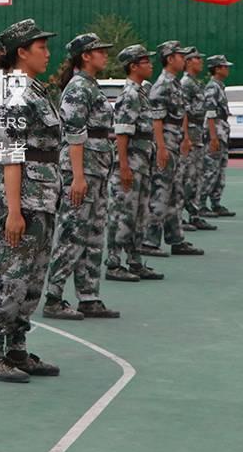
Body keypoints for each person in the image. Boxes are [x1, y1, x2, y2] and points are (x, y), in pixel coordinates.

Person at [0, 19, 62, 383]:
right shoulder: (15, 93)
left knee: (32, 280)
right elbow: (11, 154)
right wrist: (13, 210)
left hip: (43, 196)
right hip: (24, 198)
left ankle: (17, 349)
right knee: (10, 278)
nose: (47, 52)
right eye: (41, 46)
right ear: (22, 52)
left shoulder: (35, 90)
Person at [42, 33, 120, 320]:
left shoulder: (90, 85)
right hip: (83, 169)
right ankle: (54, 297)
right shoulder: (78, 88)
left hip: (97, 169)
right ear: (85, 56)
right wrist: (77, 176)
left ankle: (88, 296)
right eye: (100, 51)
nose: (105, 55)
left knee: (94, 234)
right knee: (72, 233)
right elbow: (74, 134)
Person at [105, 45, 163, 282]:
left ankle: (135, 260)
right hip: (130, 165)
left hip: (142, 164)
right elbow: (122, 134)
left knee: (139, 214)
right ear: (133, 66)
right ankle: (113, 262)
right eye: (145, 61)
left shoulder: (140, 93)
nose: (150, 65)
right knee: (122, 214)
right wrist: (124, 166)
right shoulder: (129, 95)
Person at [142, 41, 203, 258]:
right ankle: (149, 241)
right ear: (170, 59)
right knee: (160, 192)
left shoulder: (175, 84)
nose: (183, 59)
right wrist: (160, 148)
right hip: (165, 144)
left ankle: (176, 239)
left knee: (174, 193)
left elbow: (181, 114)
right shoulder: (161, 85)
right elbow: (156, 120)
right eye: (179, 56)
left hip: (175, 142)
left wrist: (185, 138)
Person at [179, 47, 215, 231]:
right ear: (188, 62)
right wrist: (185, 137)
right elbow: (183, 112)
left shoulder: (195, 82)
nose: (200, 62)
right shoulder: (185, 83)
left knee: (195, 177)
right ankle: (178, 218)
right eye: (196, 59)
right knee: (185, 177)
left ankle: (194, 214)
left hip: (197, 133)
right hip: (190, 134)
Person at [201, 54, 236, 218]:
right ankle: (200, 204)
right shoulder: (212, 88)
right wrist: (213, 137)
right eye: (224, 66)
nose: (227, 69)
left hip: (222, 131)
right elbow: (209, 113)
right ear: (217, 69)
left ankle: (215, 202)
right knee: (210, 170)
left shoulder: (219, 86)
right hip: (215, 132)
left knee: (220, 170)